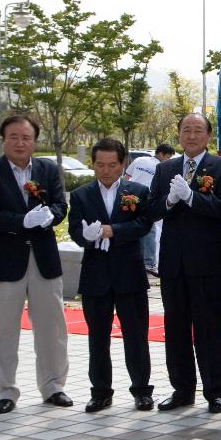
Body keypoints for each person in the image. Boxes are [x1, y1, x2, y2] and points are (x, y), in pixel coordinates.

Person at [0, 114, 71, 414]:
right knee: (1, 330)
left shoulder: (46, 168)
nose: (20, 142)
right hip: (5, 261)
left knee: (52, 327)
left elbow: (60, 204)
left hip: (43, 259)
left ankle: (54, 386)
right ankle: (5, 391)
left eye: (26, 137)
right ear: (3, 139)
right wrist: (22, 221)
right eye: (13, 137)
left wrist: (51, 216)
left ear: (35, 141)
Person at [149, 114, 221, 413]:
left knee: (210, 329)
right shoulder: (165, 170)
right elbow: (152, 210)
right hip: (173, 263)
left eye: (198, 130)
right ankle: (181, 390)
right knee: (175, 329)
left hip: (209, 263)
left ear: (208, 136)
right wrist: (171, 201)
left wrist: (191, 198)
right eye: (186, 130)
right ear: (178, 134)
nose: (191, 135)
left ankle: (215, 392)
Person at [68, 138, 155, 412]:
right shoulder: (81, 195)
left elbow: (144, 224)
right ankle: (100, 391)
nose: (106, 170)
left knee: (136, 335)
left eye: (112, 165)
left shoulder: (137, 191)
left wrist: (112, 230)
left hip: (128, 273)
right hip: (95, 276)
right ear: (92, 164)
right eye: (100, 165)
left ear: (123, 164)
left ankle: (142, 390)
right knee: (97, 338)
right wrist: (86, 236)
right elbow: (74, 230)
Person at [123, 142, 173, 276]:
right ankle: (149, 263)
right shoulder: (161, 166)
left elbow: (126, 177)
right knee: (149, 230)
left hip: (128, 197)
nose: (168, 160)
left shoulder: (139, 159)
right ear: (161, 154)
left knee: (130, 228)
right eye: (168, 157)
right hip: (145, 199)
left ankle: (130, 261)